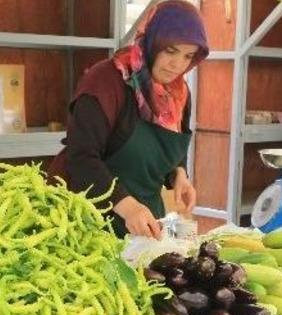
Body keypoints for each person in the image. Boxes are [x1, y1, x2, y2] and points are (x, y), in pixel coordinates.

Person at [49, 0, 208, 239]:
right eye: (170, 51)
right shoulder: (104, 81)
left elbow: (170, 149)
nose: (177, 65)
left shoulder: (178, 94)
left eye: (188, 56)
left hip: (145, 227)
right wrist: (128, 207)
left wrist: (179, 175)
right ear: (152, 41)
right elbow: (81, 158)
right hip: (85, 222)